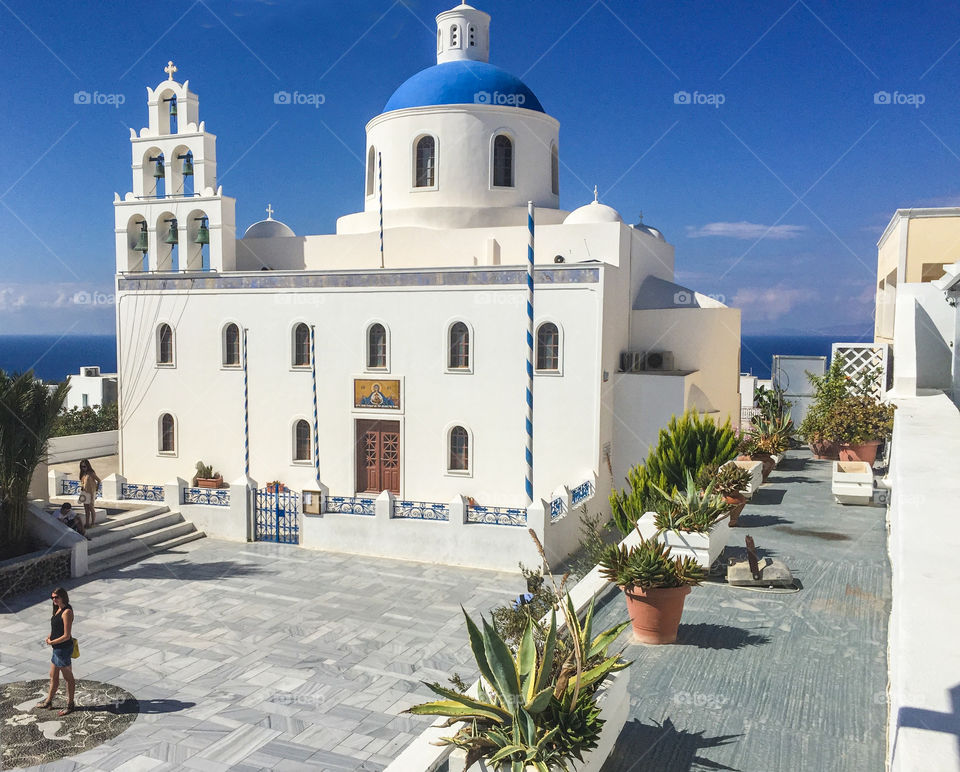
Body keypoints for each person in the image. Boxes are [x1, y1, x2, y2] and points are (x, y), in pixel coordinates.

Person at [36, 587, 76, 716]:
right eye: (52, 597)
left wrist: (52, 642)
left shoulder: (67, 612)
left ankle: (70, 705)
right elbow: (55, 628)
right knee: (53, 676)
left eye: (56, 597)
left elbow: (66, 635)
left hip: (63, 649)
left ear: (63, 597)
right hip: (57, 649)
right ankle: (48, 701)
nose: (54, 599)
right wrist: (49, 636)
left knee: (68, 678)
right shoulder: (57, 609)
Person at [78, 459, 100, 530]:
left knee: (91, 507)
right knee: (86, 509)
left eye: (85, 466)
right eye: (82, 467)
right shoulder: (83, 474)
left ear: (88, 466)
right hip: (84, 493)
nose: (83, 468)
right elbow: (83, 483)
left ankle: (93, 523)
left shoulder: (91, 473)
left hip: (91, 493)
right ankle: (87, 523)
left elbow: (99, 480)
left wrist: (96, 490)